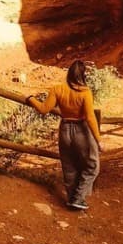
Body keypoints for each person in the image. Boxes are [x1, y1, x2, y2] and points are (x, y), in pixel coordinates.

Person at [25, 60, 101, 211]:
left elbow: (44, 109)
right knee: (92, 165)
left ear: (69, 73)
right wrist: (98, 140)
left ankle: (71, 198)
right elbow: (90, 117)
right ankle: (78, 198)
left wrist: (31, 99)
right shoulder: (85, 93)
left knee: (69, 165)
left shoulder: (57, 89)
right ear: (84, 75)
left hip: (65, 128)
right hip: (81, 130)